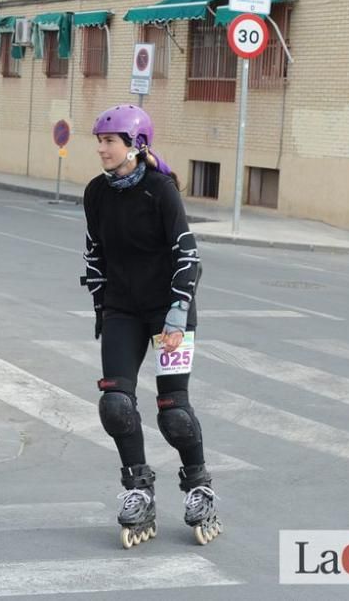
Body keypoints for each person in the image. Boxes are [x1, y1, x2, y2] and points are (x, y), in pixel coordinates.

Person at [82, 104, 221, 549]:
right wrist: (103, 306)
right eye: (100, 141)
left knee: (173, 411)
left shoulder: (160, 191)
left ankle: (199, 487)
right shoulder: (95, 193)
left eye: (110, 141)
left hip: (169, 311)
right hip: (123, 310)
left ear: (135, 145)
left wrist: (178, 314)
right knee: (115, 404)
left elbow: (187, 255)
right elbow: (94, 253)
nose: (102, 148)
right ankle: (138, 490)